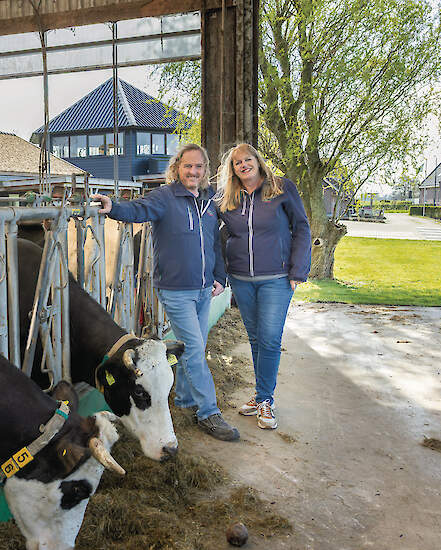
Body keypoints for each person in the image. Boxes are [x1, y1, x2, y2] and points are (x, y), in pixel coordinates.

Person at [91, 144, 239, 442]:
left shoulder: (209, 203)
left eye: (199, 167)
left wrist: (219, 277)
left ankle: (184, 401)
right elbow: (138, 208)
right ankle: (208, 412)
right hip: (175, 290)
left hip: (203, 290)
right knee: (196, 351)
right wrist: (114, 207)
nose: (193, 172)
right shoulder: (164, 197)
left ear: (205, 170)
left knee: (190, 348)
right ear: (177, 168)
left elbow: (214, 244)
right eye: (188, 166)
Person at [215, 143, 311, 430]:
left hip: (277, 279)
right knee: (256, 339)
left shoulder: (282, 188)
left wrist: (298, 270)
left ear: (257, 161)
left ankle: (266, 400)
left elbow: (302, 228)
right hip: (242, 279)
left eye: (247, 159)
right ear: (232, 170)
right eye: (237, 163)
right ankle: (260, 397)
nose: (243, 165)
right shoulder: (226, 197)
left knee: (269, 338)